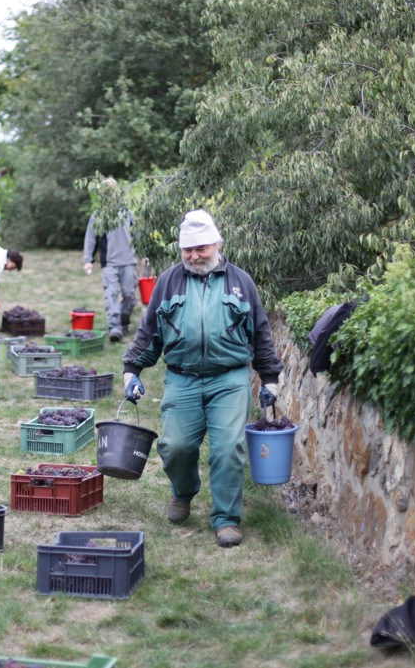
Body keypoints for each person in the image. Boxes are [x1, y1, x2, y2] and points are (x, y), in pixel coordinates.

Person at [121, 209, 283, 548]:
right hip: (182, 379)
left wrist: (270, 378)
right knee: (175, 446)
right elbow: (150, 331)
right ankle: (183, 491)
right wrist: (132, 371)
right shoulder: (168, 281)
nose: (195, 256)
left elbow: (261, 333)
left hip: (230, 379)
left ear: (217, 244)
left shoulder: (241, 282)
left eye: (202, 248)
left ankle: (226, 519)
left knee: (228, 449)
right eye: (188, 250)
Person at [83, 178, 138, 342]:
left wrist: (146, 254)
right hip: (110, 264)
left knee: (129, 295)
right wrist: (88, 259)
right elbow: (90, 239)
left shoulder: (128, 213)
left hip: (129, 261)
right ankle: (114, 328)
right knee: (111, 294)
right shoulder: (98, 215)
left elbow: (138, 235)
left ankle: (124, 320)